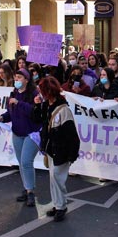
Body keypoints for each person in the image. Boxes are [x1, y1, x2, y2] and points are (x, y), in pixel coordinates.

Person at [32, 77, 80, 222]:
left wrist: (72, 155)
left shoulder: (63, 110)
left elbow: (72, 135)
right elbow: (36, 119)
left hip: (61, 150)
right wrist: (37, 106)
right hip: (52, 149)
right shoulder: (46, 105)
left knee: (57, 178)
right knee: (53, 179)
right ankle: (58, 205)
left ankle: (61, 207)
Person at [0, 69, 40, 207]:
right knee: (21, 163)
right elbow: (10, 113)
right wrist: (2, 117)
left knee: (26, 161)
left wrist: (18, 103)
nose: (16, 79)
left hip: (32, 133)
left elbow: (35, 112)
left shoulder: (34, 94)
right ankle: (27, 188)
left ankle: (31, 193)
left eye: (19, 77)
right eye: (15, 77)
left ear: (26, 80)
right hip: (17, 133)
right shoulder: (13, 94)